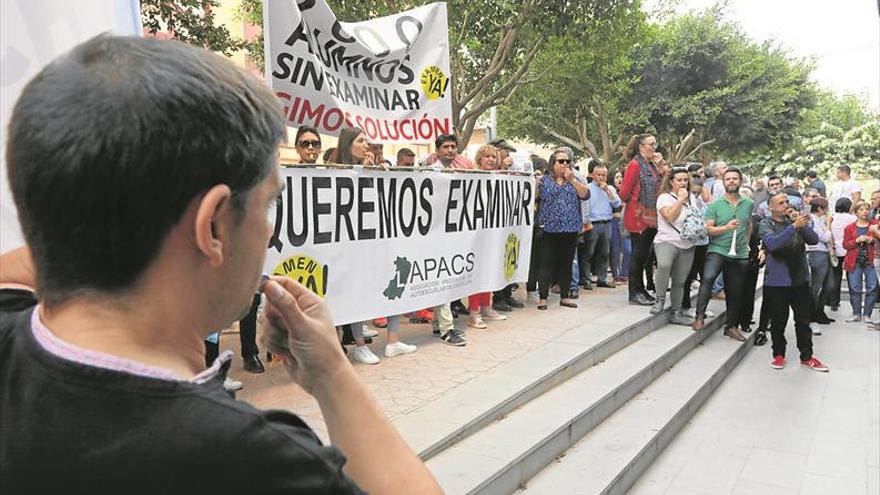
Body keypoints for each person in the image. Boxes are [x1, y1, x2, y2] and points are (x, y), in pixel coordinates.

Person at [0, 35, 440, 494]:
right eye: (267, 205)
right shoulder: (259, 464)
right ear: (212, 227)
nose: (269, 232)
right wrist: (331, 374)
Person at [759, 193, 829, 372]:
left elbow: (813, 239)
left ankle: (806, 356)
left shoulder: (796, 222)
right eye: (780, 203)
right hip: (777, 281)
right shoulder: (766, 224)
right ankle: (779, 354)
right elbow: (773, 244)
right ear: (771, 208)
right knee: (778, 321)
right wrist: (793, 227)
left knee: (803, 321)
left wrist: (800, 224)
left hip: (800, 280)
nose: (785, 205)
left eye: (786, 202)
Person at [691, 168, 755, 342]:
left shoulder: (748, 204)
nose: (732, 181)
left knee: (736, 290)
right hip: (718, 249)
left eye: (735, 178)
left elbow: (748, 224)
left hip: (739, 253)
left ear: (740, 181)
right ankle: (699, 316)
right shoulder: (715, 205)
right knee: (708, 277)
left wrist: (747, 244)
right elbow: (708, 230)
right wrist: (726, 227)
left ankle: (731, 327)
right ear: (723, 182)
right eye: (728, 179)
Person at [536, 149, 589, 310]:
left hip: (570, 228)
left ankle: (565, 296)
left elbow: (585, 195)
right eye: (561, 161)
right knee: (546, 263)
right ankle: (543, 298)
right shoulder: (544, 180)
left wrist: (572, 180)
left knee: (566, 263)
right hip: (549, 228)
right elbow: (535, 197)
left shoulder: (575, 179)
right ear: (553, 164)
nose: (565, 164)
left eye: (567, 162)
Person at [652, 167, 698, 325]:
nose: (683, 183)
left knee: (680, 280)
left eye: (685, 180)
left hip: (688, 244)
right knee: (664, 265)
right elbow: (670, 217)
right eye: (679, 180)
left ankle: (676, 311)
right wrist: (680, 200)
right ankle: (659, 299)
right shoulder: (664, 198)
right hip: (667, 241)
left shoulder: (692, 197)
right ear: (671, 182)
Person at [619, 134, 662, 306]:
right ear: (641, 146)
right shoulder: (635, 164)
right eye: (651, 144)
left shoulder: (651, 165)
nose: (654, 147)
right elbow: (623, 193)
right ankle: (634, 292)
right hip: (638, 216)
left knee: (644, 256)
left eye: (654, 144)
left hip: (650, 216)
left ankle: (641, 289)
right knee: (638, 256)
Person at [580, 162, 620, 289]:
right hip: (592, 223)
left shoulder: (611, 189)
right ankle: (586, 279)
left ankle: (602, 279)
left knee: (604, 253)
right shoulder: (587, 188)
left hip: (606, 223)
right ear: (593, 175)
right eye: (598, 175)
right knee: (588, 253)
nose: (601, 177)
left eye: (604, 175)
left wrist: (607, 190)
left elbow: (616, 204)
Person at [842, 201, 880, 323]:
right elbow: (845, 245)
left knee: (873, 287)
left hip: (871, 260)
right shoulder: (850, 227)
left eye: (866, 209)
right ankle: (856, 313)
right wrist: (857, 240)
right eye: (861, 209)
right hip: (854, 261)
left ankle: (867, 314)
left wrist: (871, 239)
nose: (865, 212)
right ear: (856, 212)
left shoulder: (875, 224)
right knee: (854, 287)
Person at [804, 198, 835, 330]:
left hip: (825, 253)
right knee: (816, 287)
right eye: (825, 208)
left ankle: (819, 311)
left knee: (829, 285)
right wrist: (828, 225)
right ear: (819, 209)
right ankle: (812, 315)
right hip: (816, 253)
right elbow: (824, 237)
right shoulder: (812, 220)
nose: (827, 210)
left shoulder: (820, 219)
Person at [828, 198, 856, 312]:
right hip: (849, 250)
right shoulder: (853, 218)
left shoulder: (832, 217)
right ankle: (855, 303)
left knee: (836, 276)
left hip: (836, 250)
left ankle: (834, 302)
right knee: (852, 277)